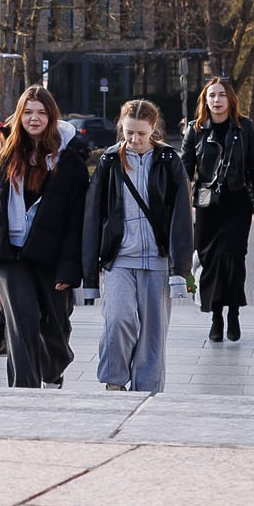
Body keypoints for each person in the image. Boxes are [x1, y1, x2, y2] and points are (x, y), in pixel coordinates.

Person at [0, 85, 91, 388]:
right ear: (19, 116)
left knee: (55, 328)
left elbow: (77, 220)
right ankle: (24, 394)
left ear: (51, 116)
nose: (34, 119)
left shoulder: (69, 161)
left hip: (50, 254)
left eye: (41, 113)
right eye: (28, 112)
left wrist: (71, 268)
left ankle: (52, 370)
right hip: (8, 253)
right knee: (22, 321)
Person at [80, 98, 192, 392]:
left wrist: (180, 269)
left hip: (158, 260)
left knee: (153, 333)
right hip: (119, 259)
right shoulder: (109, 161)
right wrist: (90, 273)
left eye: (141, 134)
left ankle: (147, 389)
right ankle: (114, 381)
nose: (134, 140)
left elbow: (181, 218)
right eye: (129, 132)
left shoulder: (169, 161)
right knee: (117, 320)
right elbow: (94, 216)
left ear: (153, 129)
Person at [181, 73, 254, 344]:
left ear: (231, 99)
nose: (217, 100)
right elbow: (184, 170)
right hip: (207, 205)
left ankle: (233, 314)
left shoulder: (245, 127)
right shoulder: (195, 129)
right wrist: (180, 207)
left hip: (237, 203)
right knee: (210, 262)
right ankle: (215, 315)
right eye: (212, 95)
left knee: (234, 260)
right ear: (205, 100)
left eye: (221, 95)